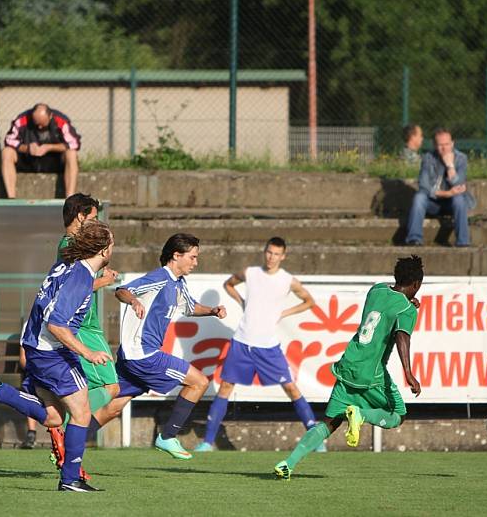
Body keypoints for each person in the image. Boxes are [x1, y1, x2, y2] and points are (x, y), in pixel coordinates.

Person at [0, 220, 114, 492]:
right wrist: (88, 353)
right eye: (112, 242)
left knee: (54, 417)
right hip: (50, 351)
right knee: (81, 413)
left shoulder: (68, 265)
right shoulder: (80, 277)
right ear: (104, 251)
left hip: (36, 345)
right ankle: (70, 479)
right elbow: (57, 324)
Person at [273, 255, 424, 480]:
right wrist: (409, 372)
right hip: (372, 374)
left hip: (347, 365)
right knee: (398, 415)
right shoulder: (407, 310)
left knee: (330, 422)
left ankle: (288, 464)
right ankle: (361, 415)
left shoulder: (376, 290)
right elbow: (402, 337)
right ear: (416, 285)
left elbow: (390, 296)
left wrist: (408, 300)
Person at [83, 233, 227, 461]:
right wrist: (133, 300)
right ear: (176, 255)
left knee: (114, 407)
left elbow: (189, 307)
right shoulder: (160, 278)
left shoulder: (178, 283)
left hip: (133, 357)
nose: (195, 262)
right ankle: (168, 436)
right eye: (192, 257)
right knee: (199, 381)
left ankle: (69, 443)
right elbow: (122, 291)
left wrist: (212, 311)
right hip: (144, 355)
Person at [194, 237, 319, 452]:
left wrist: (285, 312)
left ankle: (315, 439)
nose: (271, 257)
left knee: (290, 387)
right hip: (242, 341)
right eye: (269, 252)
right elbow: (229, 284)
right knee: (225, 386)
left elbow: (309, 301)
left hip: (268, 345)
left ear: (283, 256)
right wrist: (242, 302)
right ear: (265, 252)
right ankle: (207, 442)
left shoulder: (288, 280)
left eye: (276, 254)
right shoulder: (250, 273)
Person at [46, 194, 120, 473]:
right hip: (83, 324)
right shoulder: (69, 244)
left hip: (84, 321)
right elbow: (72, 286)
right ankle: (62, 433)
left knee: (85, 390)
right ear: (80, 216)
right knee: (110, 387)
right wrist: (104, 280)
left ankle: (68, 447)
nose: (96, 222)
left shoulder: (71, 245)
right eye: (92, 216)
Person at [404, 128, 473, 247]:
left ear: (452, 143)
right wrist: (447, 193)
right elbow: (424, 186)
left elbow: (459, 186)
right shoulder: (428, 158)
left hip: (452, 204)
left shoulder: (461, 158)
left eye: (447, 144)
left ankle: (463, 242)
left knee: (459, 199)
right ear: (435, 145)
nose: (444, 148)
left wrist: (450, 166)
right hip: (433, 203)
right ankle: (414, 239)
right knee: (419, 197)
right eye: (441, 145)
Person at [1, 103, 82, 199]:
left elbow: (74, 143)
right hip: (29, 160)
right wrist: (27, 148)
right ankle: (11, 198)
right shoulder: (22, 120)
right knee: (6, 152)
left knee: (71, 154)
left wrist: (49, 147)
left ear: (50, 116)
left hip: (53, 160)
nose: (39, 127)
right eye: (36, 123)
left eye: (42, 124)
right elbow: (9, 140)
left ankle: (70, 199)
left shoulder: (61, 121)